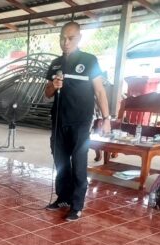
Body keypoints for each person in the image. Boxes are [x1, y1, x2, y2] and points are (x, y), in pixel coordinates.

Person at [44, 21, 111, 221]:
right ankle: (63, 198)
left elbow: (99, 91)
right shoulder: (55, 63)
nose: (65, 42)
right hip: (59, 121)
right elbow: (47, 93)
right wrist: (54, 85)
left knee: (79, 163)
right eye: (62, 38)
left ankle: (77, 205)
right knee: (61, 162)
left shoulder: (89, 60)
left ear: (79, 38)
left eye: (70, 38)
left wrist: (107, 118)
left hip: (80, 122)